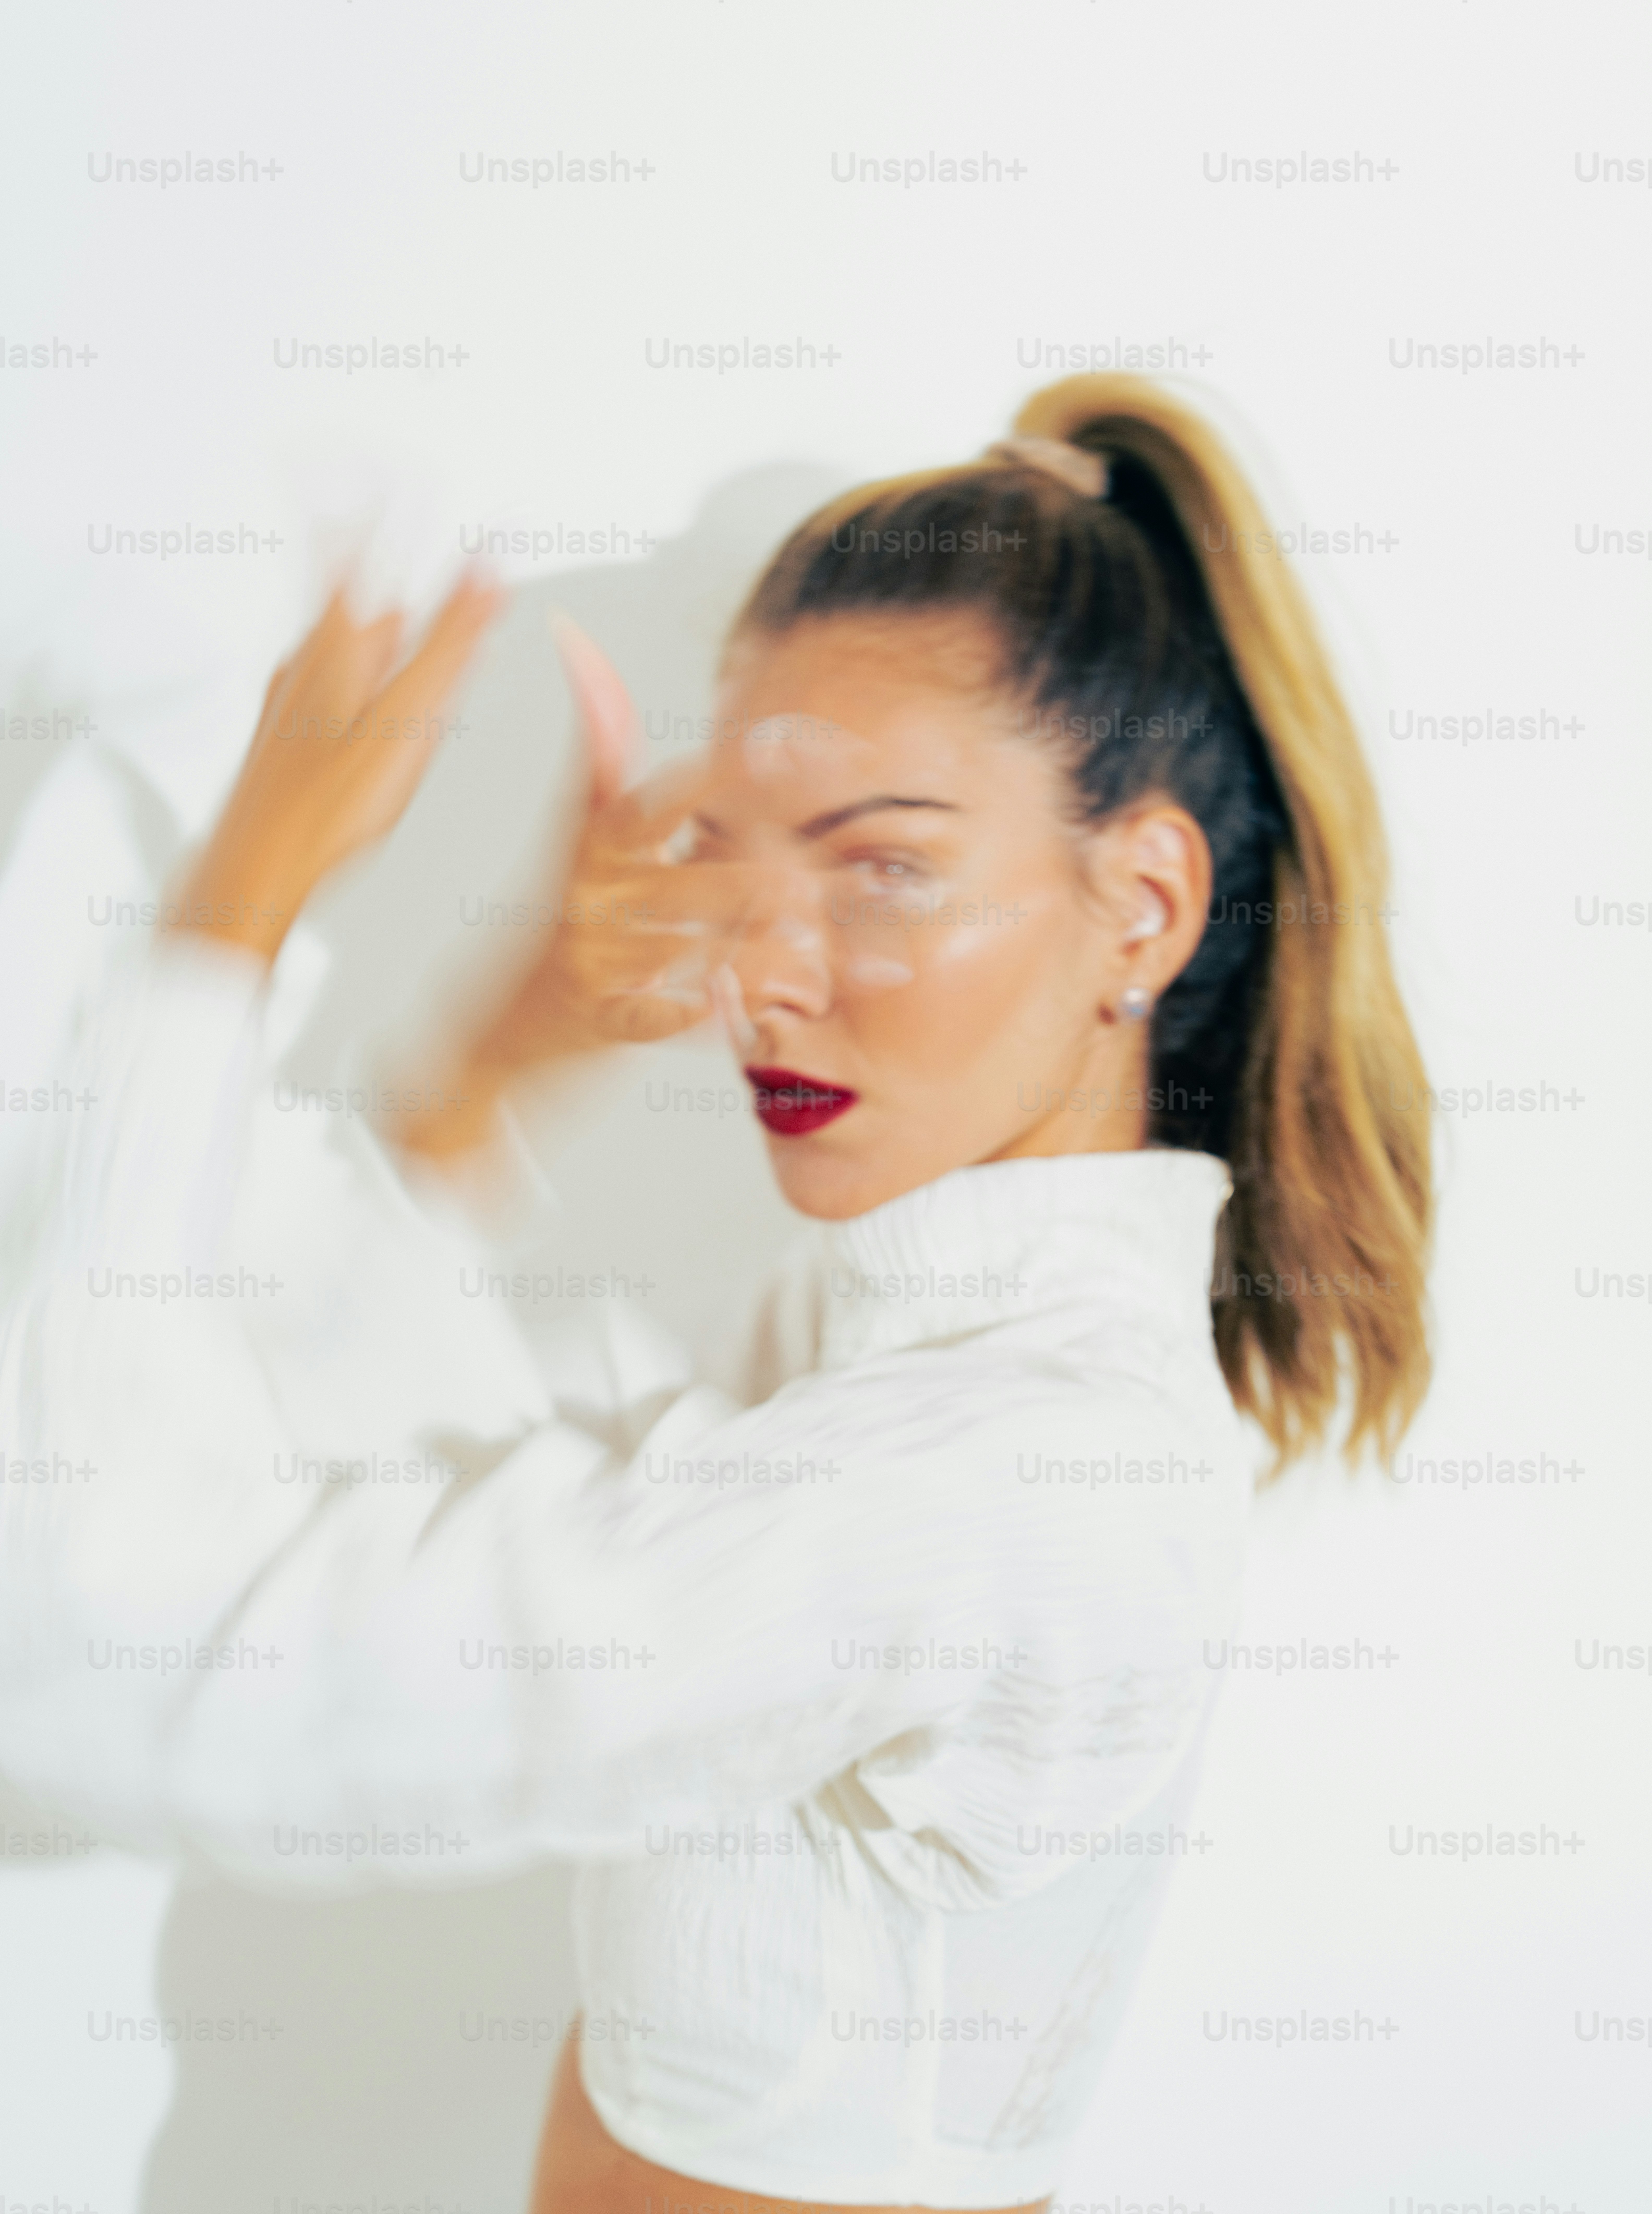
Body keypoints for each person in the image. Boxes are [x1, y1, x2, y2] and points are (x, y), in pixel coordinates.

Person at [0, 374, 1431, 2214]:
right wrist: (511, 1038)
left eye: (885, 868)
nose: (767, 969)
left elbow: (106, 1671)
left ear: (1142, 908)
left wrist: (225, 922)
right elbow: (333, 1463)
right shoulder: (909, 1357)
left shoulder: (1011, 1474)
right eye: (738, 859)